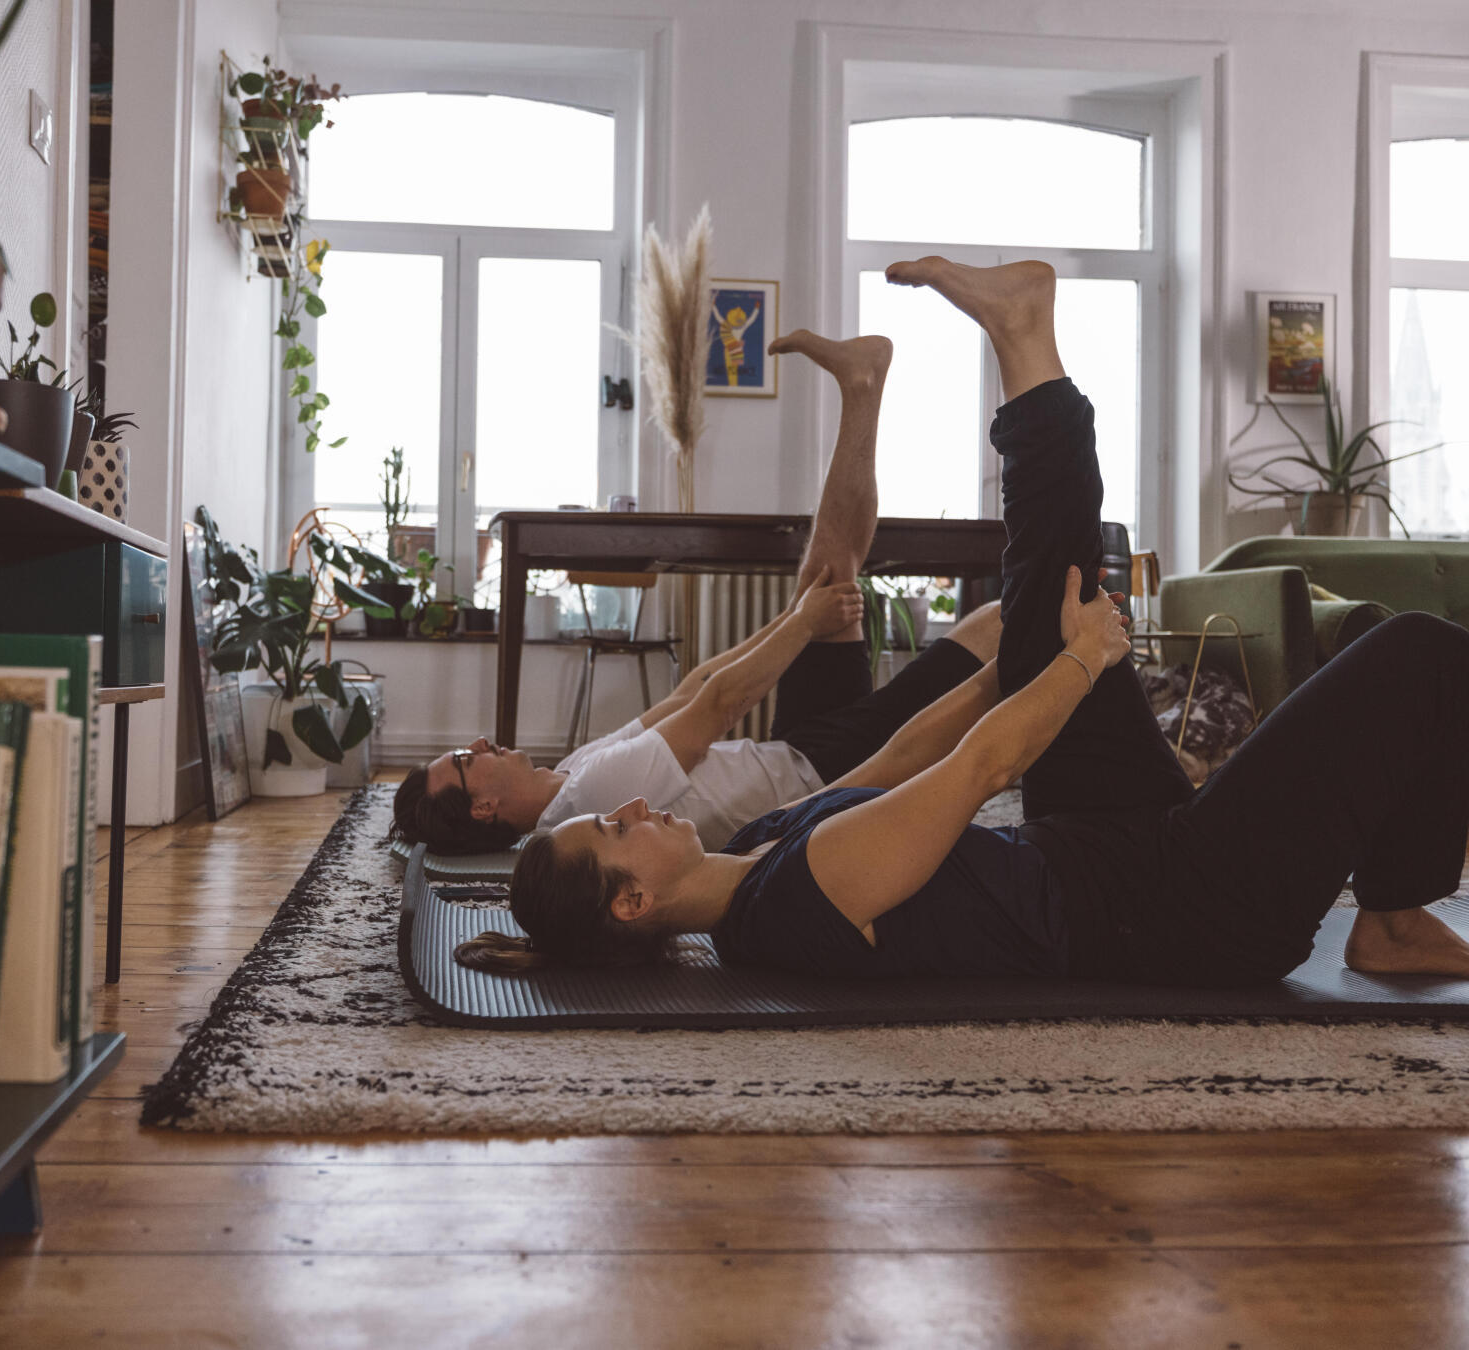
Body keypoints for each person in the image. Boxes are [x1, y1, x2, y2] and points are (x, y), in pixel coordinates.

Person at [462, 256, 1469, 987]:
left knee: (1044, 605)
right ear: (632, 902)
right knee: (1420, 656)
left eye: (611, 810)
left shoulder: (766, 844)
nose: (632, 809)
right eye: (614, 830)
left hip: (1098, 842)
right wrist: (1073, 670)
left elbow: (896, 761)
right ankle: (1390, 917)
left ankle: (1025, 338)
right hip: (1181, 913)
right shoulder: (799, 895)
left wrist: (1012, 667)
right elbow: (976, 777)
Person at [393, 329, 1004, 856]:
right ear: (484, 808)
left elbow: (690, 690)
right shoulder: (591, 802)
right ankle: (1087, 623)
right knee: (990, 630)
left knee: (827, 571)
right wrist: (801, 625)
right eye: (467, 762)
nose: (478, 744)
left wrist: (801, 616)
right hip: (828, 776)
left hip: (795, 748)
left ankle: (861, 384)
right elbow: (717, 706)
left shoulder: (572, 773)